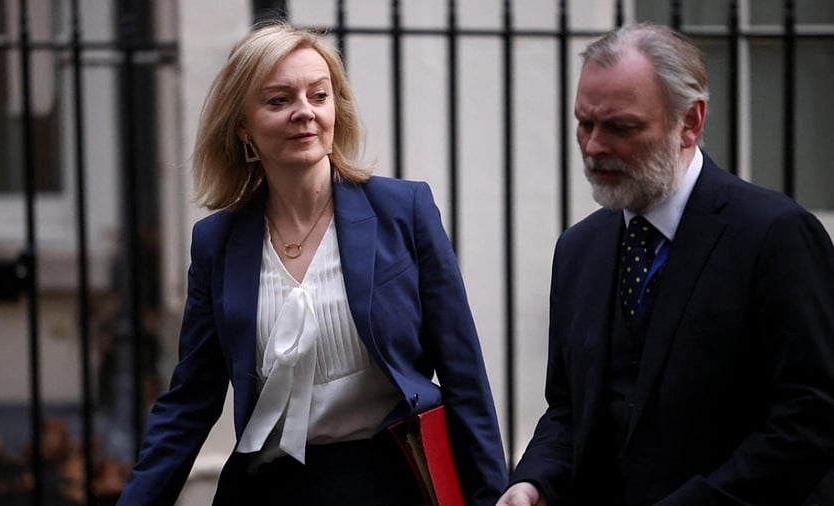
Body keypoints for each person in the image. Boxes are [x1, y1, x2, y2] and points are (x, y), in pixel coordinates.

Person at [116, 21, 507, 506]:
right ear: (243, 126)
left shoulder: (403, 211)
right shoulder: (216, 242)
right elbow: (190, 401)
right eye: (279, 100)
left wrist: (492, 494)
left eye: (318, 96)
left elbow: (464, 371)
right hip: (267, 488)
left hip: (388, 480)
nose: (304, 112)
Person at [498, 23, 834, 506]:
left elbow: (811, 420)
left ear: (691, 122)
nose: (593, 147)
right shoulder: (579, 250)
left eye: (620, 127)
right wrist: (534, 483)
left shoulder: (775, 236)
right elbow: (570, 410)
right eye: (584, 123)